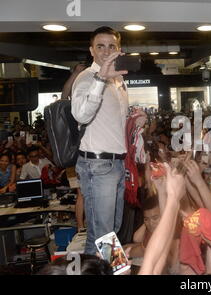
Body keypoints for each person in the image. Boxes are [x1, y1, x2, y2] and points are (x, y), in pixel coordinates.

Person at [71, 26, 129, 255]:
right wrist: (99, 79)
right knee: (103, 234)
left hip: (116, 164)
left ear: (119, 50)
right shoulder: (86, 78)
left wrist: (135, 117)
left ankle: (98, 269)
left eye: (111, 46)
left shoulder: (118, 82)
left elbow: (112, 121)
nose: (106, 51)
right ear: (91, 50)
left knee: (108, 232)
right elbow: (81, 114)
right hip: (97, 165)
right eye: (100, 46)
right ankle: (112, 270)